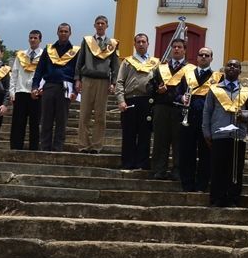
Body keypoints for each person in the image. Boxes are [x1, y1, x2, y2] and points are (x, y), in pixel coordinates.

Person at [204, 59, 248, 208]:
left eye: (235, 66)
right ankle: (217, 198)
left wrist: (245, 116)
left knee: (236, 169)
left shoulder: (246, 91)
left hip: (238, 135)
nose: (232, 67)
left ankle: (233, 198)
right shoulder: (215, 89)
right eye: (229, 65)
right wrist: (206, 132)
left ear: (240, 71)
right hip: (219, 133)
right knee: (218, 168)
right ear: (224, 69)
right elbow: (207, 111)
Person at [31, 23, 80, 152]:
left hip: (66, 87)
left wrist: (76, 90)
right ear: (57, 33)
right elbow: (39, 69)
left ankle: (57, 148)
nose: (63, 33)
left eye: (66, 31)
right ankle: (44, 147)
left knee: (61, 120)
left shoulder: (75, 51)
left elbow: (77, 72)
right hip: (49, 86)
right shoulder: (49, 49)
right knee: (46, 118)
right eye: (61, 31)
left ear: (70, 33)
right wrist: (35, 86)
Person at [74, 15, 119, 154]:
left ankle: (96, 146)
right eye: (98, 23)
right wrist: (77, 79)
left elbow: (115, 65)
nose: (100, 25)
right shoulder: (87, 41)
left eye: (103, 23)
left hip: (103, 81)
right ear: (94, 25)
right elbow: (79, 61)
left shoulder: (112, 44)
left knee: (100, 115)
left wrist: (114, 82)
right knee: (85, 114)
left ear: (107, 26)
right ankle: (83, 145)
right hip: (87, 79)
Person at [179, 47, 221, 191]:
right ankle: (187, 183)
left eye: (207, 55)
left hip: (207, 120)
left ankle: (202, 184)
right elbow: (177, 92)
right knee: (187, 152)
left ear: (211, 59)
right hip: (188, 117)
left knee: (206, 153)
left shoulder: (218, 77)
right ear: (196, 58)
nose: (203, 57)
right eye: (201, 55)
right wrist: (181, 97)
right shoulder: (186, 74)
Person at [115, 33, 158, 170]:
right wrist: (121, 100)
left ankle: (142, 163)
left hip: (148, 101)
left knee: (145, 134)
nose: (141, 44)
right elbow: (120, 82)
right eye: (138, 42)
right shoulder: (127, 62)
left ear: (148, 44)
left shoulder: (155, 63)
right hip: (130, 101)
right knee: (129, 133)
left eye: (143, 41)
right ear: (134, 44)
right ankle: (128, 162)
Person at [147, 39, 188, 180]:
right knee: (160, 140)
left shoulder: (190, 69)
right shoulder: (160, 67)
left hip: (179, 109)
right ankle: (159, 169)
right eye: (174, 47)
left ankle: (177, 170)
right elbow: (149, 86)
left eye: (180, 47)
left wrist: (184, 97)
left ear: (184, 50)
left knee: (179, 141)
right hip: (162, 107)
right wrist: (157, 90)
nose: (176, 49)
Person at [9, 30, 44, 151]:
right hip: (21, 91)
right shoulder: (21, 54)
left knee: (35, 123)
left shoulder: (45, 54)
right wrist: (12, 91)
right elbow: (14, 73)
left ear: (40, 40)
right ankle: (16, 147)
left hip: (36, 93)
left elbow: (45, 74)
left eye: (35, 38)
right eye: (31, 38)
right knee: (18, 122)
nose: (33, 40)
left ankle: (34, 148)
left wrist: (41, 88)